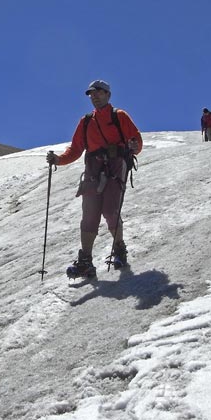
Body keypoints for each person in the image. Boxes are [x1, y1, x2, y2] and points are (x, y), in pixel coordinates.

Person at [46, 80, 143, 277]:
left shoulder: (119, 116)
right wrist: (58, 159)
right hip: (93, 169)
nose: (94, 96)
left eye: (98, 93)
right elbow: (75, 149)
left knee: (110, 210)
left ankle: (119, 250)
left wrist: (134, 147)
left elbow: (136, 140)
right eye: (91, 94)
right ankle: (85, 261)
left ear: (108, 95)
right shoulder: (86, 121)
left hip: (116, 166)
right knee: (89, 215)